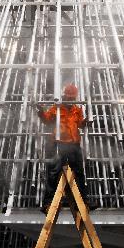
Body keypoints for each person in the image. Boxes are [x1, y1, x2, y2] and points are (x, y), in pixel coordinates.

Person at [36, 83, 95, 214]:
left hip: (74, 144)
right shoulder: (57, 108)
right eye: (68, 98)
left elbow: (79, 123)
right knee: (53, 173)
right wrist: (40, 112)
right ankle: (48, 203)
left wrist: (86, 122)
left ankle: (83, 202)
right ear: (64, 96)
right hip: (58, 143)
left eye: (72, 98)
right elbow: (46, 120)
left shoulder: (77, 109)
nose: (70, 100)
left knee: (79, 172)